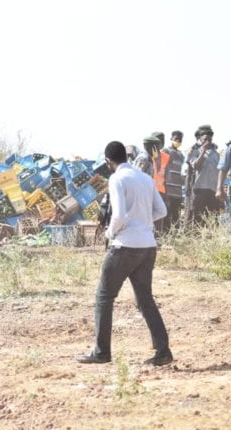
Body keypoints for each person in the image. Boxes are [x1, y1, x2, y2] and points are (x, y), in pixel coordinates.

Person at [76, 141, 172, 366]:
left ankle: (101, 352)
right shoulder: (145, 179)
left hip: (125, 246)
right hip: (147, 246)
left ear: (109, 161)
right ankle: (163, 350)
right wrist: (142, 222)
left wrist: (110, 233)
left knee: (104, 297)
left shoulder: (117, 178)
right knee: (145, 299)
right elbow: (162, 211)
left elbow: (118, 215)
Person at [185, 128, 221, 225]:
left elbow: (219, 172)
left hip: (213, 191)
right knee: (197, 218)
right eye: (205, 139)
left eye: (209, 139)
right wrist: (203, 151)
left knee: (211, 219)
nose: (207, 141)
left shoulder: (216, 154)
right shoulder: (195, 151)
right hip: (199, 189)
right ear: (200, 140)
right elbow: (196, 166)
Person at [162, 131, 185, 231]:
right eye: (175, 139)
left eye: (179, 140)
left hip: (178, 191)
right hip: (167, 190)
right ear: (171, 138)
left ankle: (174, 239)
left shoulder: (181, 155)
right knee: (166, 216)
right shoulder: (165, 151)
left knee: (176, 217)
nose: (177, 141)